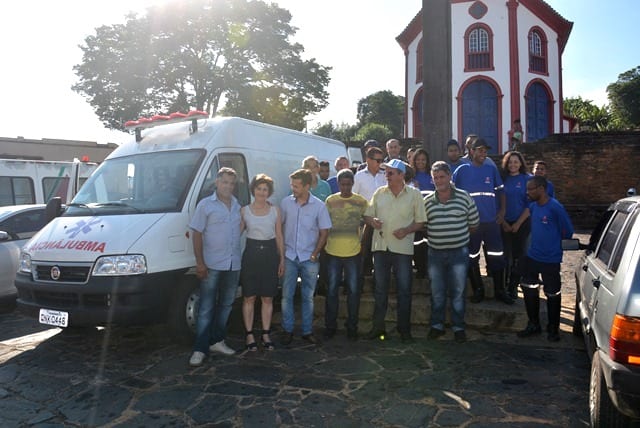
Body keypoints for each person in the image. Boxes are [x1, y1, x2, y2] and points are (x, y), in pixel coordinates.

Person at [363, 158, 427, 343]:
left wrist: (406, 230)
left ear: (401, 175)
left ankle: (404, 330)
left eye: (390, 173)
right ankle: (378, 327)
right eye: (386, 172)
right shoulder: (379, 192)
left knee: (404, 291)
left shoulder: (414, 194)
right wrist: (372, 222)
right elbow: (368, 215)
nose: (386, 176)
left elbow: (420, 221)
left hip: (402, 249)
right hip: (381, 248)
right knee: (380, 290)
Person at [188, 167, 242, 367]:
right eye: (224, 182)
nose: (228, 186)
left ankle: (217, 341)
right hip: (211, 264)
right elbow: (197, 233)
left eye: (231, 183)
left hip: (233, 263)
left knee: (227, 305)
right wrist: (200, 262)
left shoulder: (237, 206)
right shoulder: (206, 205)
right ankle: (200, 348)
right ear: (217, 183)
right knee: (206, 308)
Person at [453, 138, 514, 305]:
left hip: (491, 222)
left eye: (485, 150)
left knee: (497, 256)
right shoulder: (461, 170)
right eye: (480, 150)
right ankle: (478, 289)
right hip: (471, 224)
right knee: (472, 256)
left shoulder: (491, 169)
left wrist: (502, 211)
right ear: (471, 151)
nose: (483, 153)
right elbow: (453, 195)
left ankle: (500, 290)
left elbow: (501, 192)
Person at [424, 161, 479, 343]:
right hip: (435, 254)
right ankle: (437, 326)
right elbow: (424, 226)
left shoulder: (464, 197)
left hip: (458, 254)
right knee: (437, 292)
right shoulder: (427, 202)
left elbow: (474, 224)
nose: (439, 180)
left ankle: (458, 327)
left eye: (442, 176)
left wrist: (456, 237)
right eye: (435, 178)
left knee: (458, 291)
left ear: (450, 176)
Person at [516, 175, 574, 342]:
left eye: (531, 189)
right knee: (529, 288)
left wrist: (552, 244)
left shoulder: (555, 207)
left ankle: (553, 329)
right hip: (532, 257)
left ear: (541, 189)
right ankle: (533, 324)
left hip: (551, 260)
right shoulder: (533, 207)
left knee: (553, 294)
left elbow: (568, 232)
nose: (528, 192)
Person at [280, 168, 332, 345]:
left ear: (307, 186)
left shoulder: (319, 206)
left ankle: (307, 330)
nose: (293, 188)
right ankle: (287, 330)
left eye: (296, 186)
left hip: (309, 258)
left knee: (307, 297)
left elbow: (324, 232)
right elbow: (279, 228)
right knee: (287, 295)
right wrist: (281, 254)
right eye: (292, 185)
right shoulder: (286, 203)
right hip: (289, 256)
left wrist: (315, 253)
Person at [240, 174, 285, 352]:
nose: (261, 192)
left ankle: (266, 333)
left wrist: (282, 258)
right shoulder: (244, 211)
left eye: (265, 189)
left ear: (269, 192)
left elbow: (279, 236)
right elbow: (235, 233)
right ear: (253, 190)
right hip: (251, 254)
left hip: (269, 255)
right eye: (259, 188)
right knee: (249, 296)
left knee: (267, 297)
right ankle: (249, 334)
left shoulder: (275, 211)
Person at [324, 169, 368, 341]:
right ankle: (330, 326)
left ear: (353, 184)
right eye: (343, 184)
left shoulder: (360, 201)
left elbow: (368, 221)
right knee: (332, 291)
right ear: (338, 184)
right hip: (332, 251)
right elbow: (323, 224)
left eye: (349, 184)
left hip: (353, 252)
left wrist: (363, 243)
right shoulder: (330, 200)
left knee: (354, 291)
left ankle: (352, 326)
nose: (346, 187)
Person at [500, 151, 531, 300]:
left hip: (522, 223)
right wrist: (504, 222)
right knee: (506, 256)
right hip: (504, 223)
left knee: (519, 256)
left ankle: (513, 287)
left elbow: (530, 204)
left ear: (521, 163)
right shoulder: (502, 179)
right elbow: (498, 202)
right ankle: (504, 286)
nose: (513, 164)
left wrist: (518, 223)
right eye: (510, 162)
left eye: (516, 162)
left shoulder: (527, 179)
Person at [353, 147, 387, 278]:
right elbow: (354, 198)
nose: (380, 163)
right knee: (365, 251)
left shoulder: (385, 176)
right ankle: (364, 278)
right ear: (368, 160)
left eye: (381, 160)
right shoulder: (359, 177)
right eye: (377, 160)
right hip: (365, 220)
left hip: (383, 219)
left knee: (381, 252)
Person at [409, 148, 434, 279]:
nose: (421, 162)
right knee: (417, 244)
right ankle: (420, 269)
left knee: (430, 244)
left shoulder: (433, 175)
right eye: (418, 159)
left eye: (423, 159)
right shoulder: (411, 177)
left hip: (431, 215)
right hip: (416, 216)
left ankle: (430, 269)